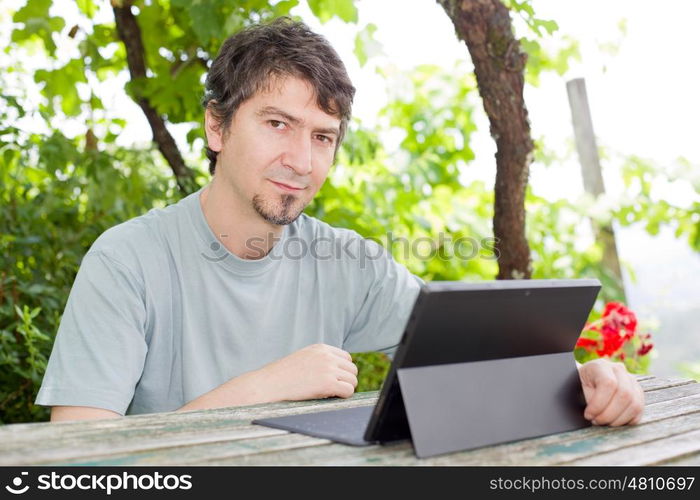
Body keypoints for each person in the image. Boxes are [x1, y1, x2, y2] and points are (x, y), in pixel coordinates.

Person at [36, 17, 644, 428]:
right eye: (277, 124)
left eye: (322, 137)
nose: (300, 161)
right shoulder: (127, 262)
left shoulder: (347, 262)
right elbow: (75, 460)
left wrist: (581, 380)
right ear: (216, 128)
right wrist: (267, 385)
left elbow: (478, 356)